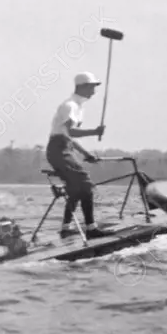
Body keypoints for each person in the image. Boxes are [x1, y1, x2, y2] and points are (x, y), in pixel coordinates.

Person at [46, 72, 109, 239]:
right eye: (91, 87)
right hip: (58, 151)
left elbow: (69, 137)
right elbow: (69, 131)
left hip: (64, 148)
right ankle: (91, 229)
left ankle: (66, 228)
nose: (94, 92)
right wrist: (95, 131)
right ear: (82, 87)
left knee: (75, 188)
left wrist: (85, 153)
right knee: (86, 184)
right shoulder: (70, 105)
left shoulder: (78, 107)